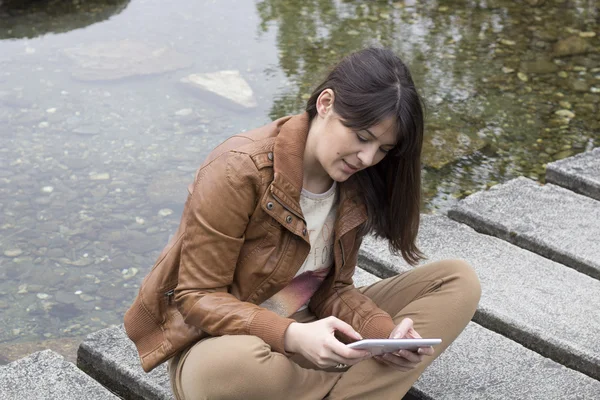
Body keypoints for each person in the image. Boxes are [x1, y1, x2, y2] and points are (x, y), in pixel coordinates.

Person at [124, 47, 481, 399]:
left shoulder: (356, 182)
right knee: (230, 371)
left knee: (456, 281)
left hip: (318, 332)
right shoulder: (239, 167)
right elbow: (198, 297)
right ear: (325, 103)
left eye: (384, 149)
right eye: (362, 137)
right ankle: (360, 383)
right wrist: (292, 336)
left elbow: (333, 289)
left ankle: (347, 377)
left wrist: (386, 336)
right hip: (228, 342)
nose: (369, 158)